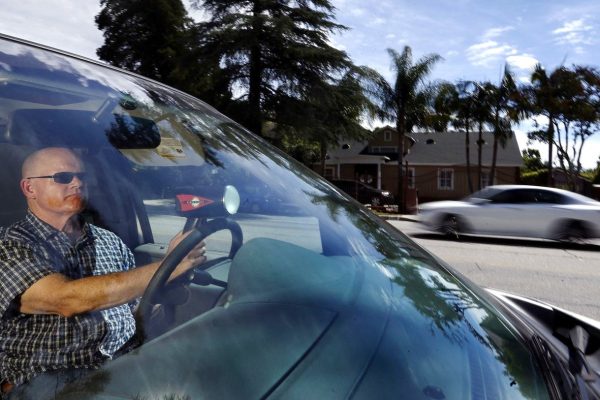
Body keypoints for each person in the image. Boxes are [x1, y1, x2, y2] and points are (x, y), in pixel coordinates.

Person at [0, 147, 206, 398]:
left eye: (82, 177)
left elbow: (136, 308)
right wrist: (170, 265)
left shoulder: (109, 240)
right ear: (29, 188)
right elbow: (66, 299)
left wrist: (164, 297)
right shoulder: (10, 244)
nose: (77, 183)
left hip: (121, 362)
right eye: (63, 177)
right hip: (49, 375)